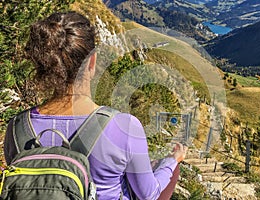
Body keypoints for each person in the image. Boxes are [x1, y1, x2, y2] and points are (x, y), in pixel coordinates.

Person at [4, 11, 188, 200]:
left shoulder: (18, 128)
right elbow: (148, 194)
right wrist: (171, 162)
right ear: (92, 61)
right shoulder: (124, 126)